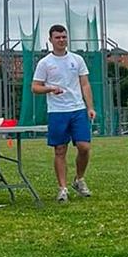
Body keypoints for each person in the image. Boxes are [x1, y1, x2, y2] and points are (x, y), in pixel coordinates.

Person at [32, 24, 96, 203]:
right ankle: (62, 188)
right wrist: (50, 88)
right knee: (60, 150)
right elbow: (35, 87)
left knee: (84, 147)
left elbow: (85, 84)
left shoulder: (77, 60)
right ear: (51, 40)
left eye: (64, 37)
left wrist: (90, 107)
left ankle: (79, 179)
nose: (61, 40)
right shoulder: (45, 63)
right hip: (57, 111)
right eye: (57, 37)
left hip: (77, 109)